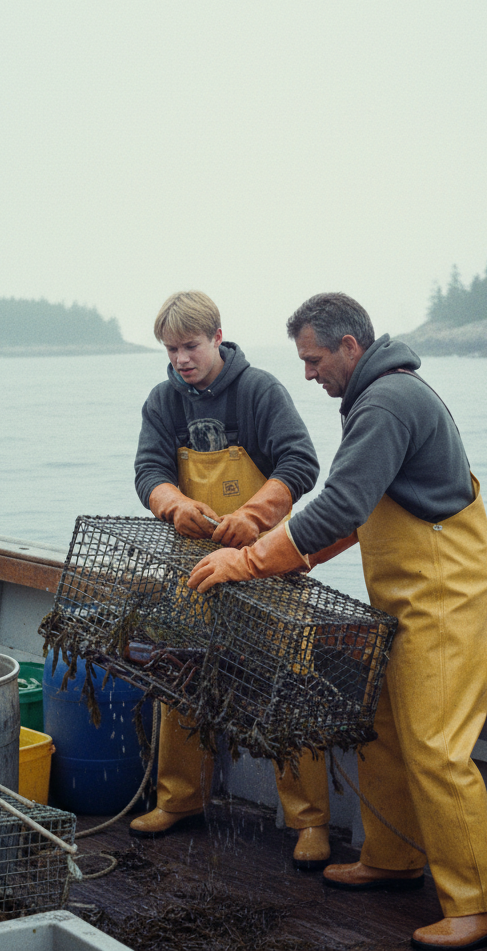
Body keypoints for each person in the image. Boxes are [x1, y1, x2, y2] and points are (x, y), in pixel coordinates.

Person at [188, 292, 487, 951]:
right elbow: (362, 514)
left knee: (437, 749)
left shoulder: (387, 403)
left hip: (444, 603)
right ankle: (393, 858)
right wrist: (292, 558)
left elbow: (337, 505)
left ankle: (483, 904)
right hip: (404, 602)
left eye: (313, 360)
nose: (308, 374)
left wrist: (248, 561)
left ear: (350, 346)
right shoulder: (378, 399)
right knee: (385, 731)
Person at [132, 290, 334, 869]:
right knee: (181, 674)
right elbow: (148, 470)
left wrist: (253, 515)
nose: (181, 360)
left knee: (289, 683)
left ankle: (310, 822)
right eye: (171, 350)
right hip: (193, 565)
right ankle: (179, 800)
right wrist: (173, 504)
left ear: (217, 337)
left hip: (267, 563)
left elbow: (301, 462)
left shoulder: (260, 391)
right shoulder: (163, 401)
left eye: (190, 346)